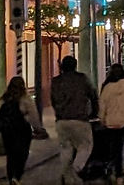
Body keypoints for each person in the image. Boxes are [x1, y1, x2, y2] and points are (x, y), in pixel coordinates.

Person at [50, 56, 98, 185]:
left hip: (61, 120)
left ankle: (67, 176)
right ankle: (77, 168)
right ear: (75, 65)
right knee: (85, 146)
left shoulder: (56, 81)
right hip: (79, 118)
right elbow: (93, 95)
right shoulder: (82, 79)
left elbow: (53, 100)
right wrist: (94, 112)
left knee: (66, 148)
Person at [0, 76, 45, 185]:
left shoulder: (4, 99)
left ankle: (11, 177)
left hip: (7, 132)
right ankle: (16, 177)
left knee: (11, 155)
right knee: (22, 155)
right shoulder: (26, 99)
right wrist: (38, 129)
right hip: (22, 131)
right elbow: (33, 116)